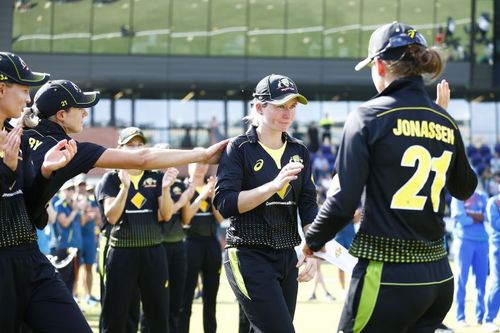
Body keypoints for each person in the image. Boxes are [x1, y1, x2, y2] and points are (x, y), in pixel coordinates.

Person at [302, 22, 477, 333]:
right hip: (438, 277)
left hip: (388, 276)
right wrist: (439, 124)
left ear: (379, 65)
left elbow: (343, 203)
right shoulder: (444, 120)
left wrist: (310, 243)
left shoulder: (368, 117)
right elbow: (465, 188)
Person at [20, 79, 227, 229]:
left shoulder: (16, 134)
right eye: (80, 107)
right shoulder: (69, 148)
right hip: (16, 244)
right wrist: (203, 155)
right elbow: (142, 159)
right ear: (62, 115)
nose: (86, 113)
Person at [214, 74, 318, 332]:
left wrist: (313, 250)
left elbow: (308, 205)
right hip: (248, 254)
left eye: (293, 105)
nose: (288, 112)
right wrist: (273, 186)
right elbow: (225, 203)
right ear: (259, 107)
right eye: (281, 105)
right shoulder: (238, 148)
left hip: (287, 256)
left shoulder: (299, 151)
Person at [0, 52, 90, 332]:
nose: (28, 100)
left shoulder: (15, 136)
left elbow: (28, 208)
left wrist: (44, 173)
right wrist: (7, 169)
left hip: (30, 259)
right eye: (24, 89)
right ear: (1, 88)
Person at [98, 127, 174, 333]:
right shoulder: (111, 179)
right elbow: (111, 216)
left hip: (153, 252)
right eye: (131, 145)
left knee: (158, 315)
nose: (137, 149)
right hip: (122, 253)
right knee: (115, 315)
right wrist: (124, 188)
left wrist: (166, 189)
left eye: (140, 145)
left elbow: (166, 215)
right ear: (120, 148)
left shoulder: (155, 177)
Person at [179, 159, 223, 333]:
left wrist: (211, 196)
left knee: (210, 298)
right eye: (197, 162)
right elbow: (186, 218)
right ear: (189, 165)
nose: (201, 166)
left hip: (211, 243)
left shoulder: (212, 188)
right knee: (186, 297)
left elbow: (220, 219)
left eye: (205, 163)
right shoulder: (182, 188)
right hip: (189, 243)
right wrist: (202, 194)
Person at [451, 189, 489, 327]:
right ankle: (460, 317)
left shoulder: (482, 196)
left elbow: (487, 216)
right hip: (464, 241)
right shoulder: (458, 197)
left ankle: (481, 316)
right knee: (462, 279)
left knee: (482, 281)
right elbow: (461, 219)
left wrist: (470, 214)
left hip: (483, 241)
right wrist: (476, 217)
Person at [484, 182, 500, 332]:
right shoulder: (494, 202)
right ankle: (489, 319)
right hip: (498, 247)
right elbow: (496, 224)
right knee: (497, 282)